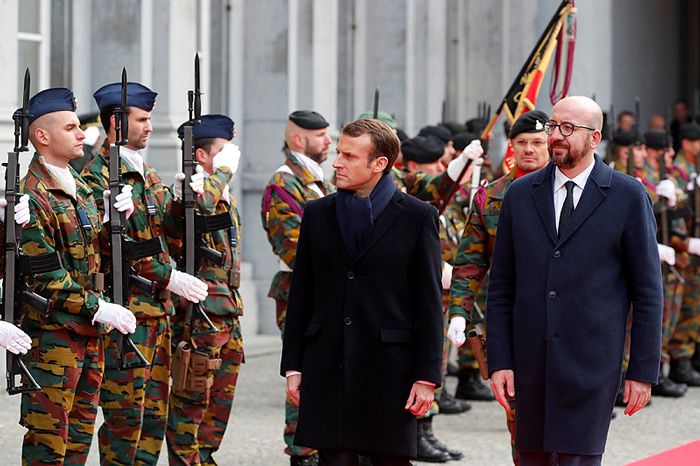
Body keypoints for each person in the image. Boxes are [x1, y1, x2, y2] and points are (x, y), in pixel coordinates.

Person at [487, 96, 663, 466]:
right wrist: (499, 360)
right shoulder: (519, 194)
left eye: (568, 128)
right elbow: (502, 285)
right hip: (529, 363)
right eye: (553, 127)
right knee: (530, 458)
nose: (556, 136)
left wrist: (643, 372)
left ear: (595, 137)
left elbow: (648, 291)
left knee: (577, 460)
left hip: (592, 364)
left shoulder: (627, 195)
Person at [280, 118, 444, 466]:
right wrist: (293, 365)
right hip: (328, 366)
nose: (337, 162)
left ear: (379, 164)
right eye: (338, 153)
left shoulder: (418, 217)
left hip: (390, 371)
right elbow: (301, 295)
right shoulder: (317, 214)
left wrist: (427, 377)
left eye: (350, 156)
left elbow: (429, 304)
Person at [82, 81, 208, 465]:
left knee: (154, 418)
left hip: (158, 315)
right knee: (125, 421)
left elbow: (165, 235)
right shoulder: (97, 177)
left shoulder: (147, 172)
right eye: (143, 119)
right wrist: (169, 276)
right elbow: (110, 248)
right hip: (127, 313)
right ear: (117, 124)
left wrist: (184, 199)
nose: (150, 127)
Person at [18, 87, 136, 464]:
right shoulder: (32, 196)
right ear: (43, 136)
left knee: (79, 440)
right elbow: (45, 277)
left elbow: (93, 255)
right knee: (49, 443)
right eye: (71, 127)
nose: (83, 134)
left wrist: (116, 222)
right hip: (54, 338)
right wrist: (99, 307)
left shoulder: (80, 187)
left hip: (88, 335)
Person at [447, 110, 551, 464]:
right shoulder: (489, 198)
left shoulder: (570, 193)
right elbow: (469, 263)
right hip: (511, 321)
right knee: (520, 417)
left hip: (565, 320)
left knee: (567, 419)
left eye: (538, 143)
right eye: (522, 143)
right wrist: (459, 312)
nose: (529, 150)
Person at [166, 114, 246, 465]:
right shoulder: (189, 191)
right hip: (200, 318)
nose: (233, 157)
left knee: (219, 403)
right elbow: (197, 208)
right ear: (201, 155)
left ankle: (205, 457)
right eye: (225, 150)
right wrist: (222, 172)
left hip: (228, 312)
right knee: (192, 398)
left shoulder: (222, 193)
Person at [402, 136, 467, 464]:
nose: (441, 169)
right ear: (414, 167)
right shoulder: (408, 190)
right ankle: (416, 434)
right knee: (424, 364)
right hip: (417, 294)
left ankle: (424, 432)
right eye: (435, 164)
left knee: (436, 363)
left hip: (440, 292)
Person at [667, 122, 700, 386]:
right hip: (680, 249)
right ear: (687, 143)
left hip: (688, 248)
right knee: (679, 309)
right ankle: (679, 361)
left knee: (689, 307)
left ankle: (686, 359)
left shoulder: (691, 170)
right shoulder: (677, 170)